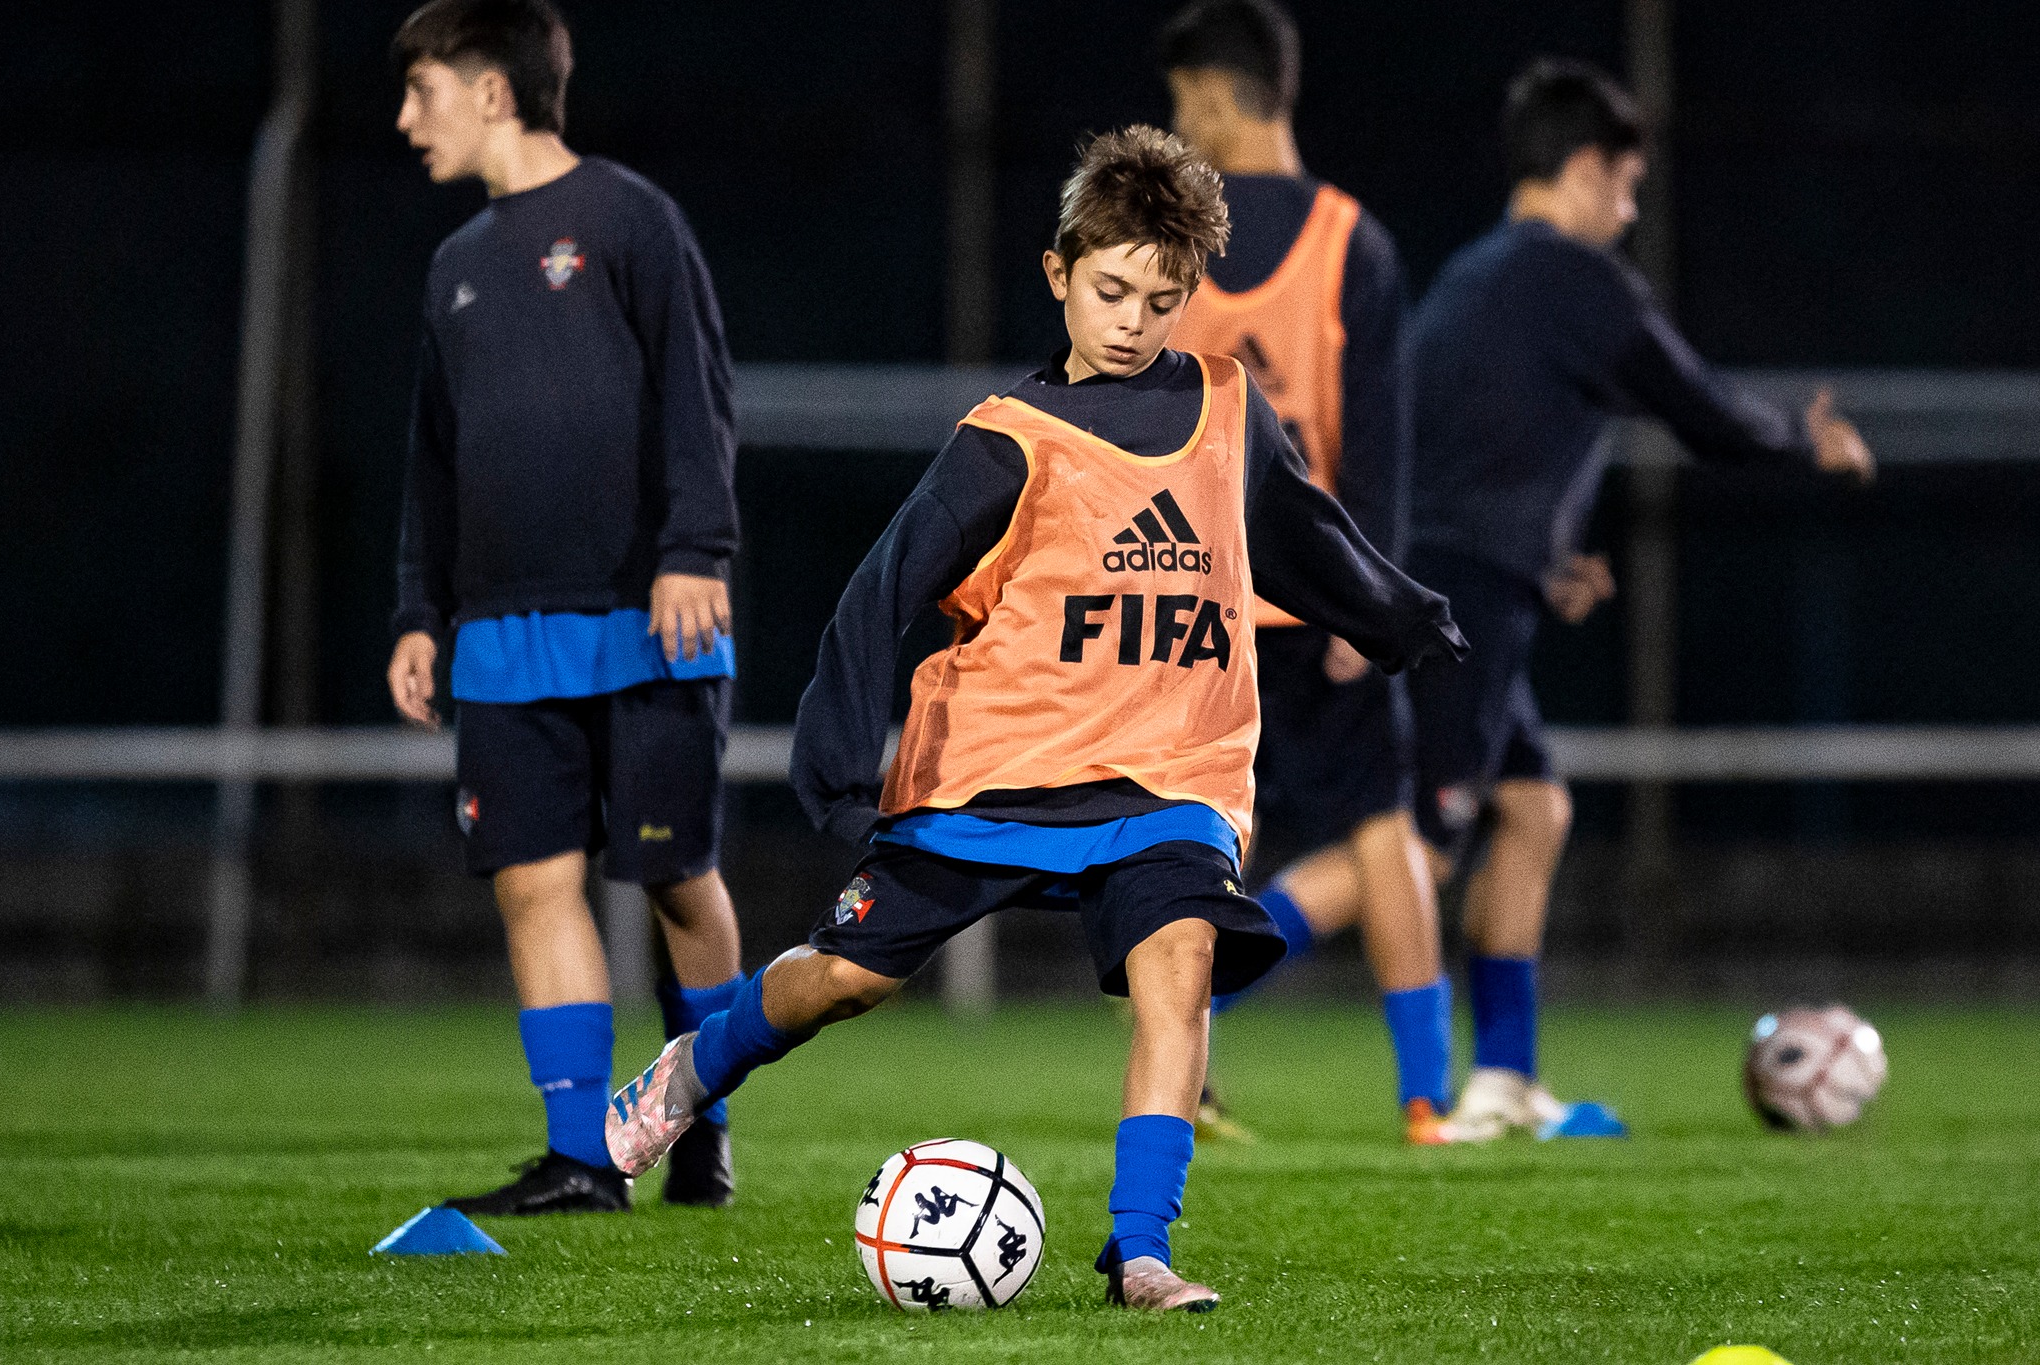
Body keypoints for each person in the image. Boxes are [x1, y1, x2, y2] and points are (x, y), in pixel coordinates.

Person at [603, 126, 1465, 1310]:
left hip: (1173, 773)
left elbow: (1300, 531)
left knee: (1182, 964)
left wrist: (1393, 615)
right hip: (994, 773)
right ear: (1058, 274)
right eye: (1110, 290)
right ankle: (698, 1065)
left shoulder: (1226, 402)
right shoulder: (1008, 438)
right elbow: (883, 589)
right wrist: (842, 757)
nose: (1131, 320)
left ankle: (1140, 1251)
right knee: (846, 982)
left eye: (1161, 300)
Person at [1217, 57, 1876, 1140]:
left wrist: (1540, 555)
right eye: (1626, 184)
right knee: (1418, 847)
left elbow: (1456, 445)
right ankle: (1198, 989)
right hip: (1459, 599)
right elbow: (1697, 408)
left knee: (1535, 810)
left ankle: (1503, 1079)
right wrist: (1802, 444)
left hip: (1463, 581)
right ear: (1583, 168)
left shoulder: (1479, 276)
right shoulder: (1576, 280)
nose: (1628, 208)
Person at [387, 0, 747, 1213]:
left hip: (649, 615)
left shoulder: (630, 219)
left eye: (421, 90)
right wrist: (416, 612)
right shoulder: (454, 267)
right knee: (532, 881)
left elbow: (700, 395)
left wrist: (695, 547)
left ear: (493, 90)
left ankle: (700, 1124)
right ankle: (583, 1157)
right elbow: (432, 462)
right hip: (497, 628)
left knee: (676, 876)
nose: (404, 120)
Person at [1160, 0, 1458, 1145]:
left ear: (1225, 99)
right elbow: (1379, 441)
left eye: (1187, 106)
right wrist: (1363, 594)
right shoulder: (1353, 241)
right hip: (1315, 591)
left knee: (1188, 840)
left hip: (1199, 603)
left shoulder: (1175, 252)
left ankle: (1184, 1085)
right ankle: (1424, 1099)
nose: (1183, 128)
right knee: (1381, 829)